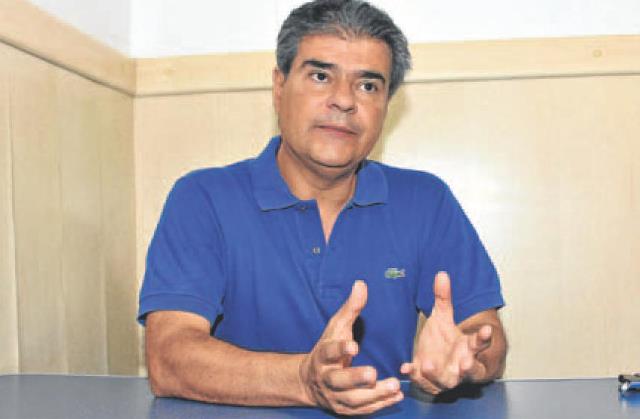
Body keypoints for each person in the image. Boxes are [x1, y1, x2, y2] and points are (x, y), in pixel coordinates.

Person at [137, 0, 507, 415]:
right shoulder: (202, 198)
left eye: (368, 86)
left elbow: (484, 333)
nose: (344, 100)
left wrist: (469, 357)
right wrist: (302, 379)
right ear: (279, 87)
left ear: (386, 105)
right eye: (320, 76)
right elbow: (169, 357)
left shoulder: (426, 200)